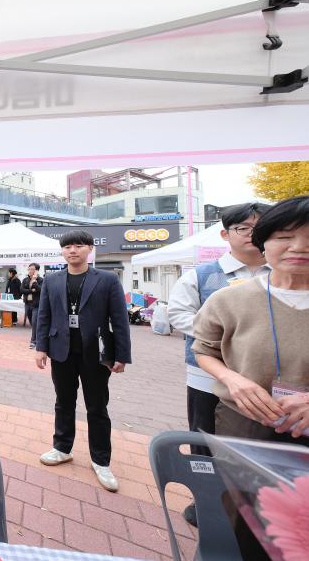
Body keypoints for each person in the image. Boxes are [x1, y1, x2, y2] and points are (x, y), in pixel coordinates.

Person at [193, 196, 309, 559]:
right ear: (264, 242)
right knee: (239, 515)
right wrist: (233, 379)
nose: (299, 247)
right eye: (285, 236)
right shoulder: (230, 300)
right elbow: (204, 349)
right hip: (244, 421)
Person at [168, 202, 270, 526]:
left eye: (259, 227)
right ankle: (206, 503)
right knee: (204, 438)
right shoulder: (201, 276)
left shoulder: (282, 274)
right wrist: (221, 334)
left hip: (267, 377)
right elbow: (178, 314)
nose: (252, 234)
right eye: (243, 228)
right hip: (206, 375)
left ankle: (252, 507)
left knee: (260, 442)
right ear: (226, 234)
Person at [35, 230, 131, 492]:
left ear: (90, 249)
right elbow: (44, 316)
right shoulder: (52, 280)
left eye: (78, 246)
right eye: (67, 247)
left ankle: (101, 460)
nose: (72, 251)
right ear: (62, 251)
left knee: (97, 407)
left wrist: (122, 355)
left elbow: (119, 319)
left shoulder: (107, 280)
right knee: (63, 402)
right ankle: (62, 448)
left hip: (96, 354)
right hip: (61, 352)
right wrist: (41, 347)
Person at [22, 263, 44, 348]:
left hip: (36, 305)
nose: (30, 271)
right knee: (32, 322)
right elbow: (22, 290)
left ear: (37, 271)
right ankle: (38, 336)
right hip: (27, 304)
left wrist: (34, 281)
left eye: (32, 269)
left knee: (35, 323)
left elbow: (41, 290)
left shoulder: (41, 280)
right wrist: (32, 290)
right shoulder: (25, 280)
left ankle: (33, 341)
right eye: (29, 269)